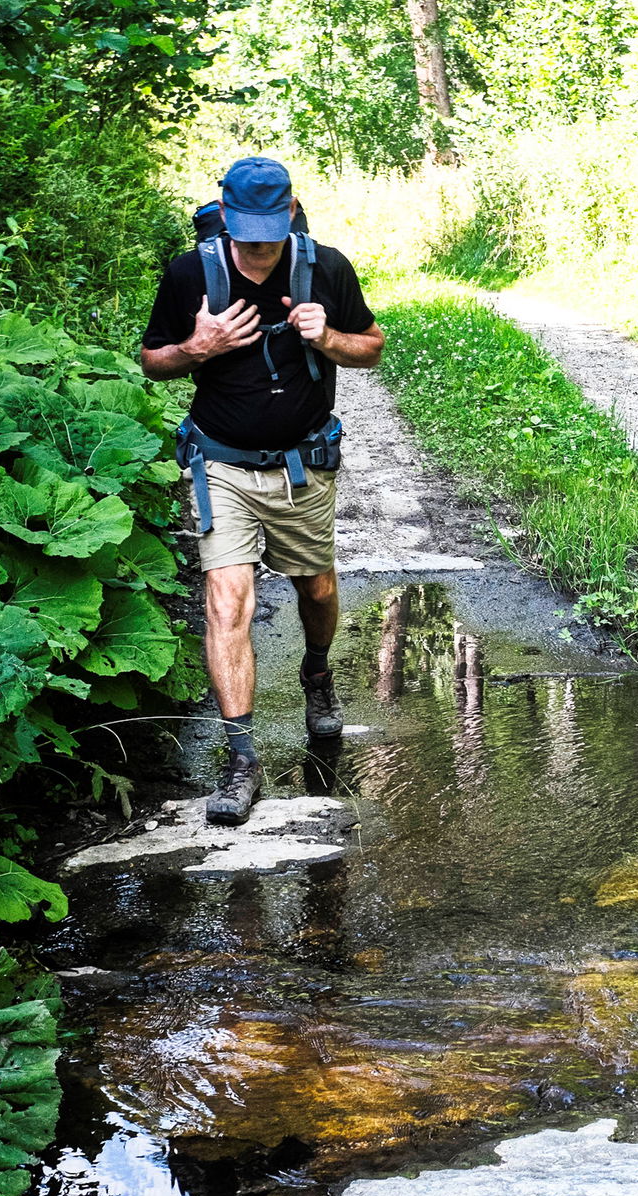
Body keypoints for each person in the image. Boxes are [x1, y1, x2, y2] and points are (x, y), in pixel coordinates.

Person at [140, 156, 384, 825]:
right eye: (246, 236)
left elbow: (372, 346)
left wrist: (327, 336)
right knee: (227, 601)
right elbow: (153, 361)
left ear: (291, 212)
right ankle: (242, 759)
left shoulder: (325, 267)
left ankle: (316, 673)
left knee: (318, 589)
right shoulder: (189, 275)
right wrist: (197, 348)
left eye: (269, 236)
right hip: (221, 463)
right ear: (224, 213)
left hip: (302, 464)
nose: (257, 249)